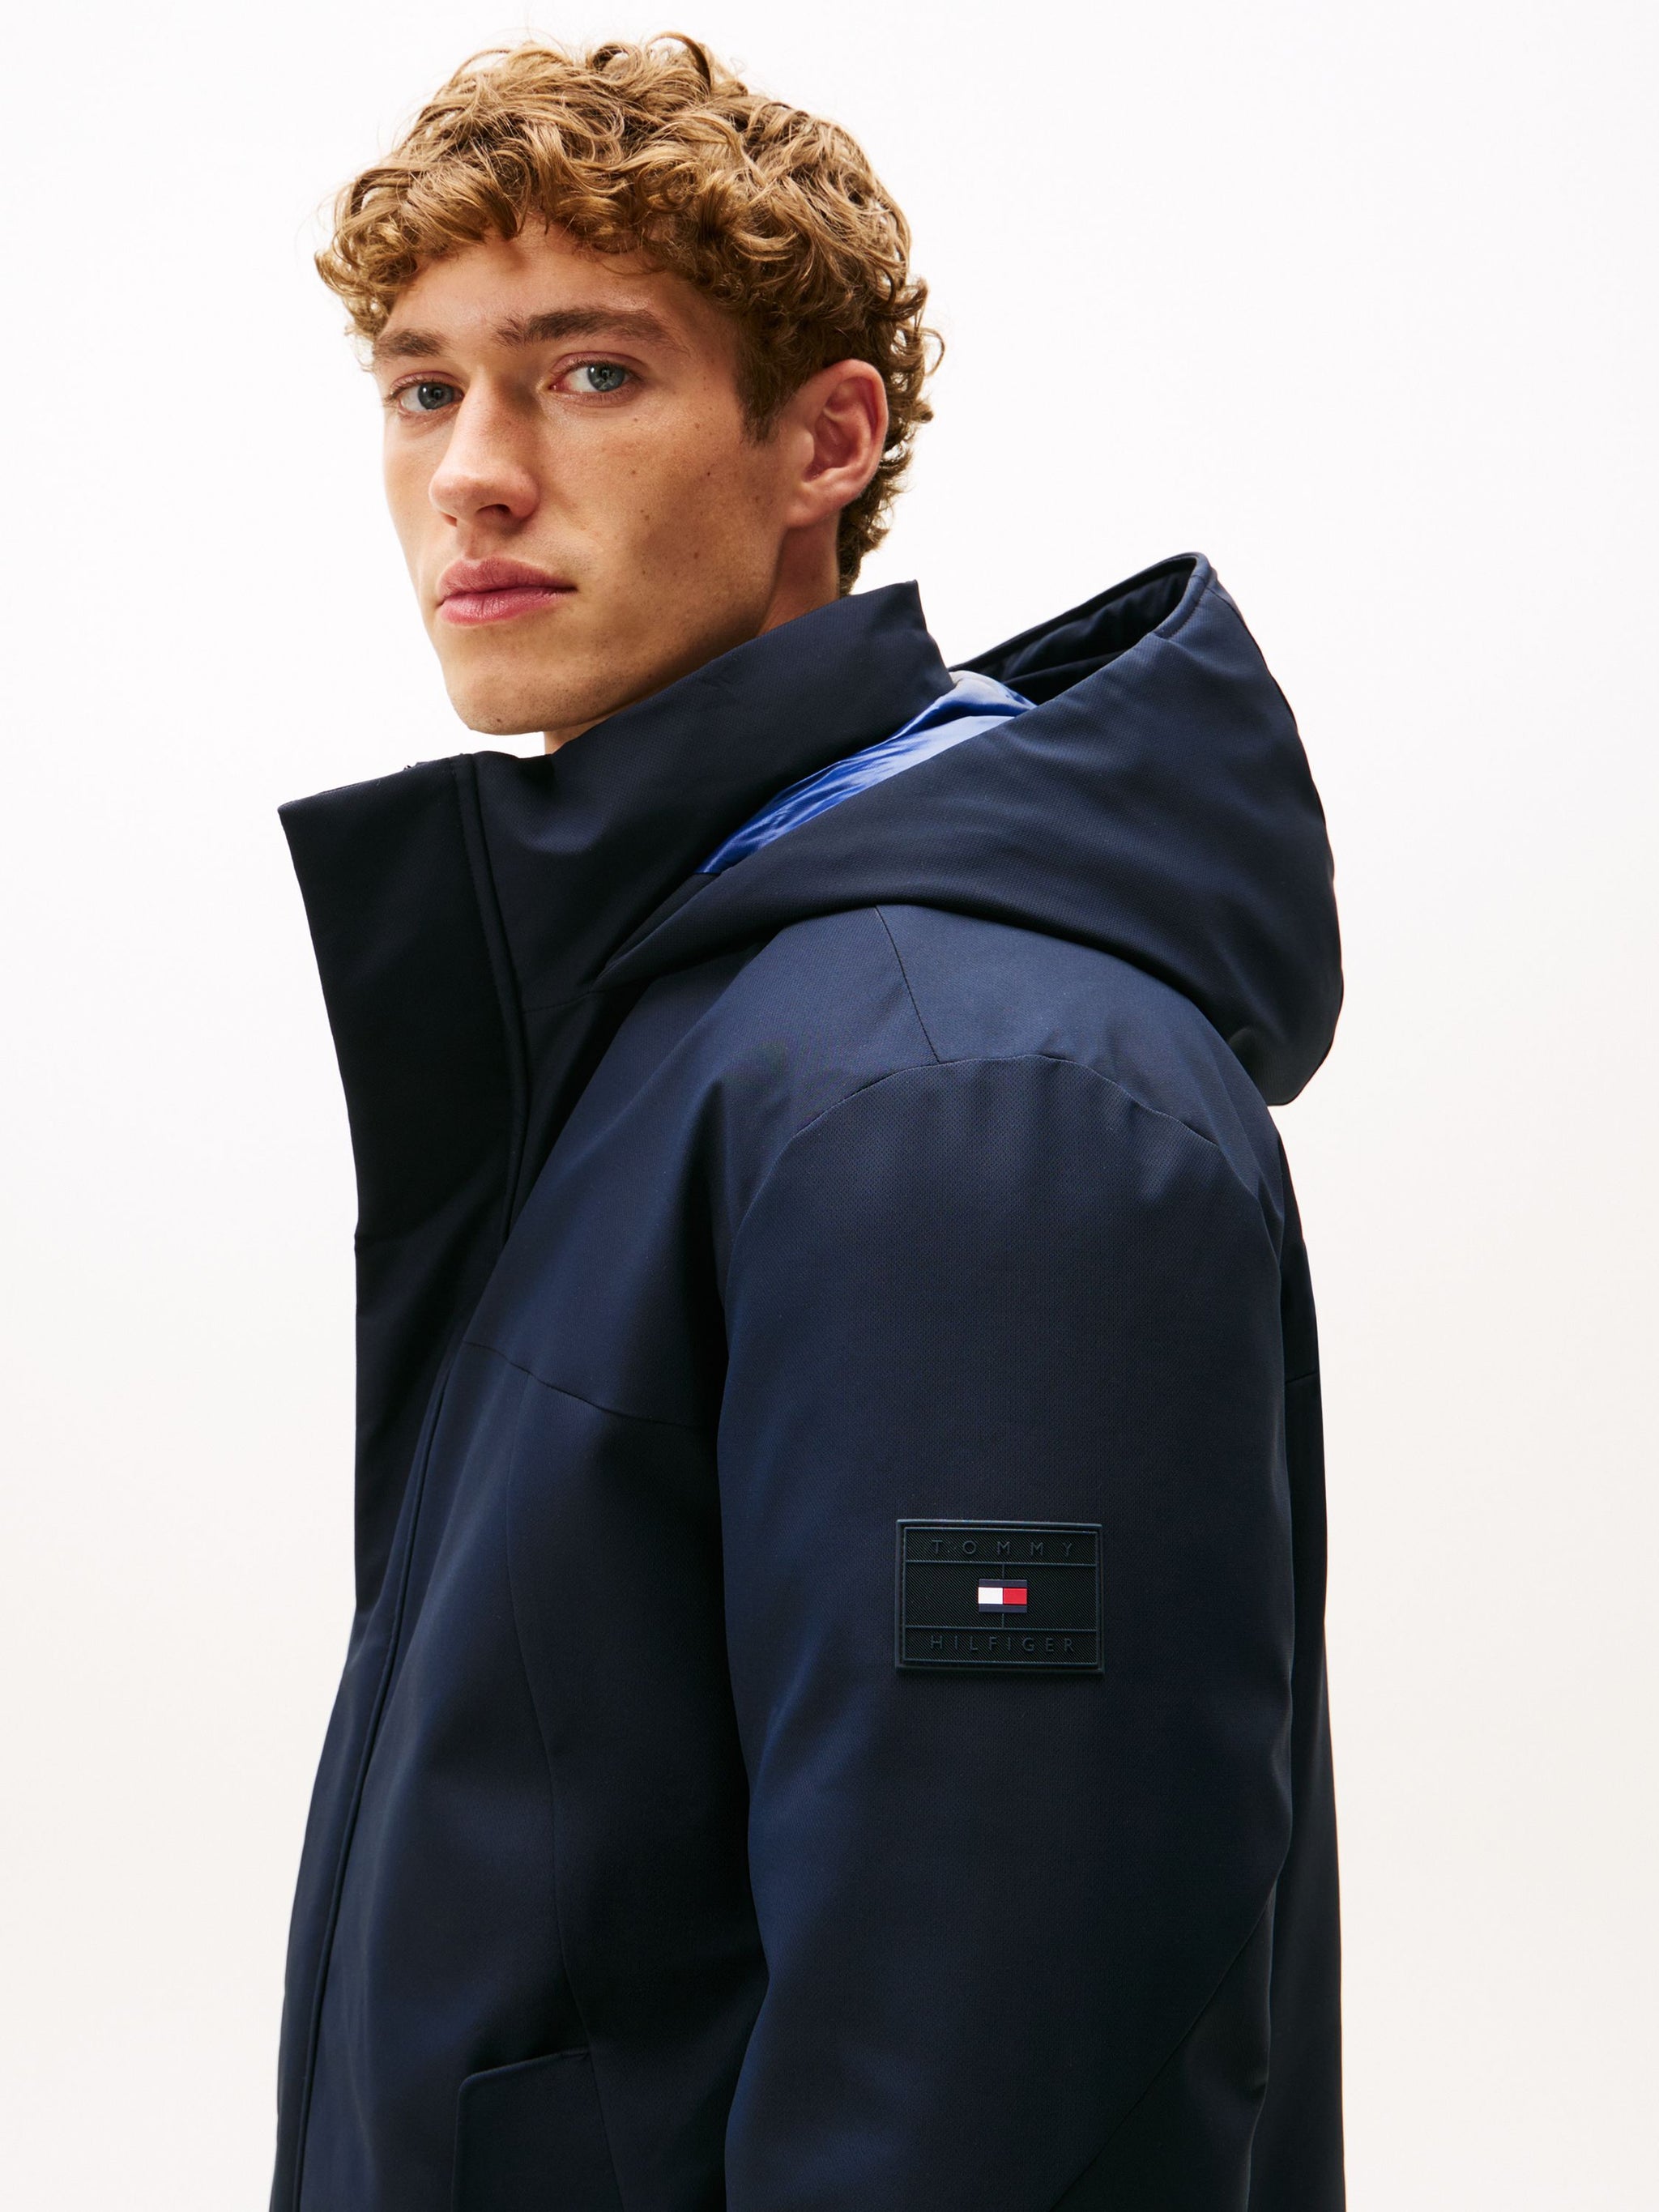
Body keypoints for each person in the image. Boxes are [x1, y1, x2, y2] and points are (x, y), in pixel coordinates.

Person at [272, 36, 1345, 2212]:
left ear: (825, 443)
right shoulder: (710, 1008)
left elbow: (1002, 2044)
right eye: (422, 389)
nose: (475, 474)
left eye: (587, 376)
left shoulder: (957, 1090)